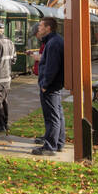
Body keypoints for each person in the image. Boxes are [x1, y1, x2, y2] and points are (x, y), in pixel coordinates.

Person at [33, 16, 65, 155]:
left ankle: (50, 147)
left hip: (50, 86)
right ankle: (58, 143)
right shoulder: (55, 41)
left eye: (40, 26)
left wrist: (45, 84)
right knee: (57, 114)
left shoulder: (53, 43)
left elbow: (52, 67)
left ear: (48, 28)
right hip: (54, 85)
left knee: (51, 117)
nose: (38, 28)